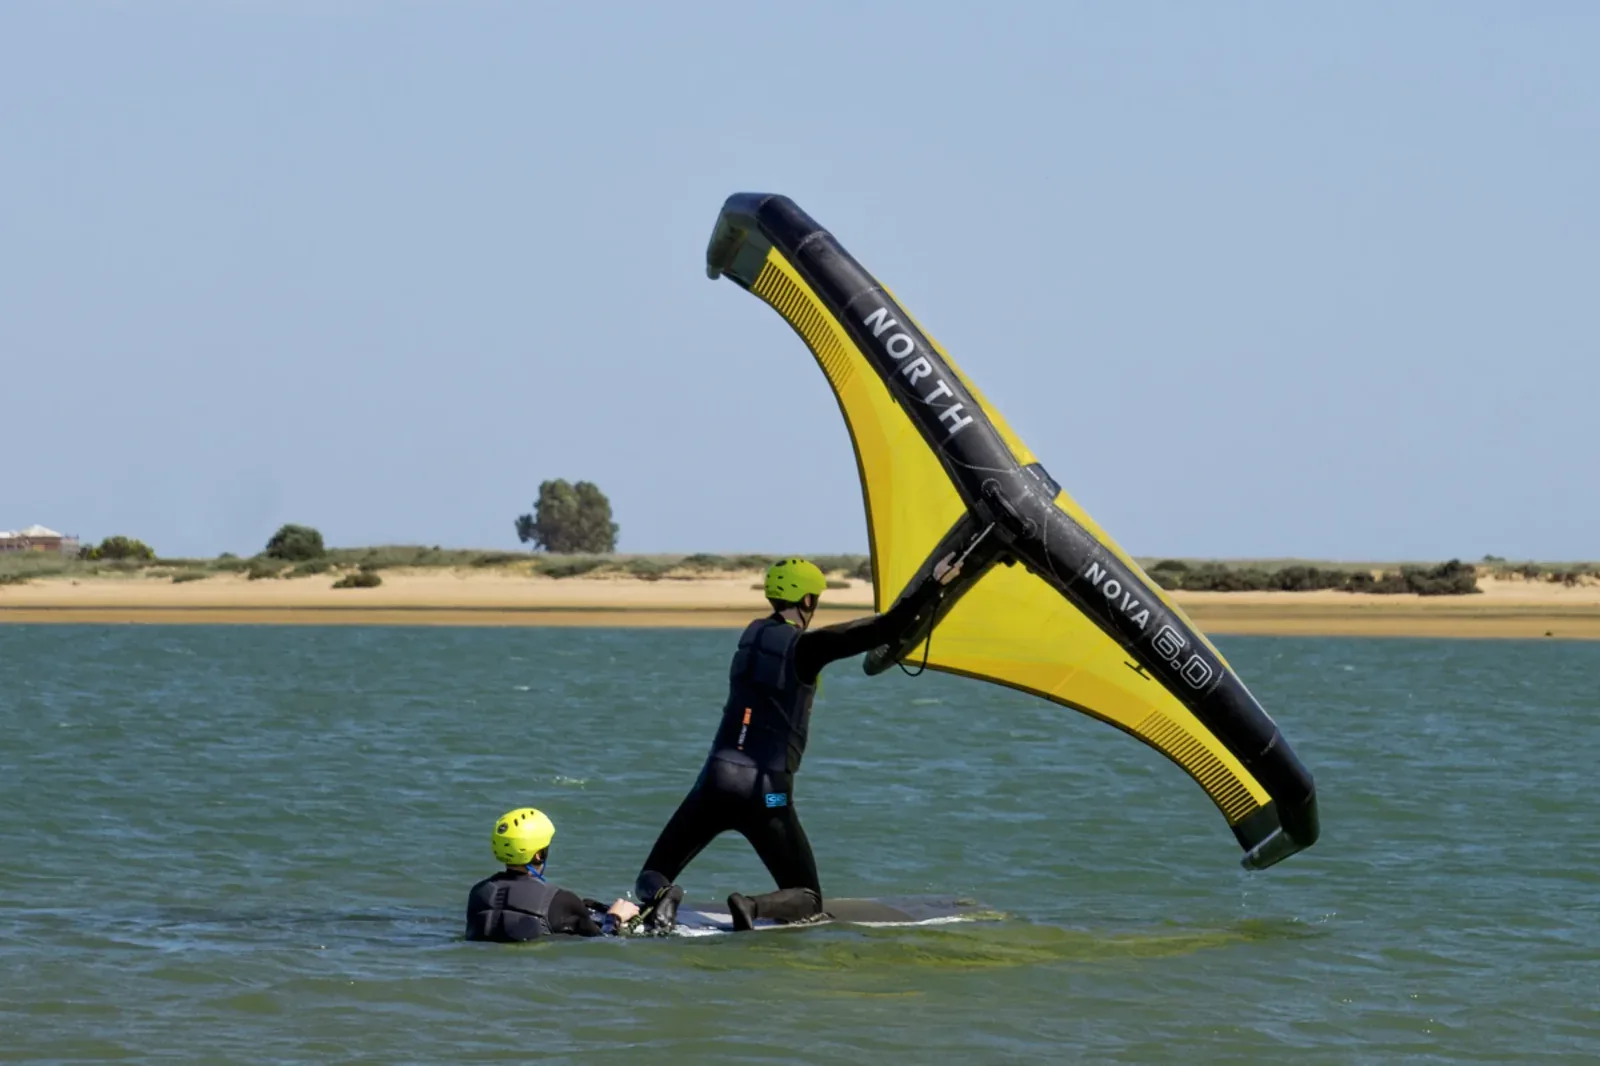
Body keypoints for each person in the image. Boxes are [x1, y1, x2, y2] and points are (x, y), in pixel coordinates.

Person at [634, 555, 961, 933]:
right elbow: (884, 629)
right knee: (808, 897)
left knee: (653, 872)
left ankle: (664, 896)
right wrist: (935, 583)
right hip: (767, 793)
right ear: (807, 601)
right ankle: (750, 905)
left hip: (714, 782)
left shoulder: (750, 636)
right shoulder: (806, 648)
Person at [465, 807, 642, 941]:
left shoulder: (478, 893)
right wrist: (615, 917)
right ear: (539, 854)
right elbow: (603, 940)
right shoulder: (559, 899)